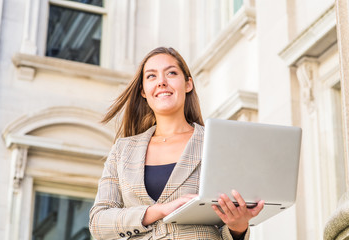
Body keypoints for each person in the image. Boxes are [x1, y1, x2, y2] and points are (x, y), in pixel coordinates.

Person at [89, 47, 264, 240]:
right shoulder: (122, 150)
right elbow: (98, 222)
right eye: (151, 76)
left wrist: (238, 226)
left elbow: (226, 226)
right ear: (143, 92)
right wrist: (158, 211)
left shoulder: (216, 144)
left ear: (188, 84)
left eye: (171, 73)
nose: (162, 82)